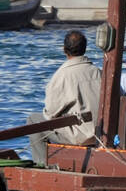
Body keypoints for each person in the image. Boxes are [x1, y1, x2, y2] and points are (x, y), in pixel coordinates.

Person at [28, 30, 101, 165]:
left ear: (64, 50)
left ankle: (41, 165)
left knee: (33, 120)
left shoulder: (62, 75)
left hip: (81, 136)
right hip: (101, 133)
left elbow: (50, 114)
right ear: (85, 49)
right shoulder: (98, 72)